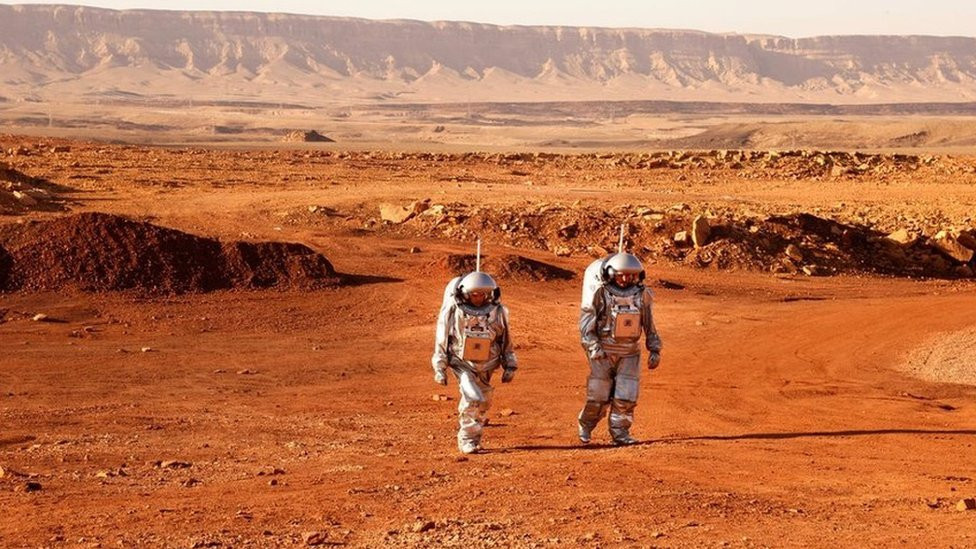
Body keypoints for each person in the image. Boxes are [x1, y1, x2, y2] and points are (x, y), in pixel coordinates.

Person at [577, 252, 662, 445]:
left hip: (630, 352)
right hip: (603, 351)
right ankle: (586, 424)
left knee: (626, 395)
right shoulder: (601, 294)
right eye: (621, 275)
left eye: (630, 275)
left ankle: (620, 432)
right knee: (599, 395)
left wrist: (654, 348)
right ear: (609, 273)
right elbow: (586, 323)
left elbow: (649, 323)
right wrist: (592, 346)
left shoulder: (642, 295)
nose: (625, 279)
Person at [432, 270, 517, 454]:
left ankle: (475, 434)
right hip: (462, 363)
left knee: (484, 401)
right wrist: (440, 367)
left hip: (488, 363)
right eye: (474, 294)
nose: (478, 298)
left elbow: (506, 340)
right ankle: (467, 439)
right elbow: (442, 338)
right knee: (472, 397)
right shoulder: (454, 311)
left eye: (482, 294)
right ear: (464, 293)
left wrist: (510, 364)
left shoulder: (498, 312)